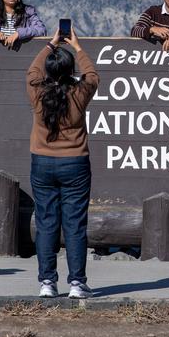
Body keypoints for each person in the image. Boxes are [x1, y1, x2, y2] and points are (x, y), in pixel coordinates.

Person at [26, 24, 99, 299]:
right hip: (75, 163)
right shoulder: (79, 94)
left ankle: (47, 282)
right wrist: (78, 47)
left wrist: (50, 44)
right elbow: (91, 75)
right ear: (70, 71)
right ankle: (77, 284)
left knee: (46, 222)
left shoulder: (38, 93)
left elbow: (32, 72)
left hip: (42, 162)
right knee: (75, 224)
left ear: (49, 70)